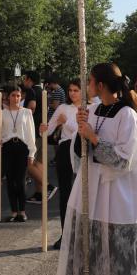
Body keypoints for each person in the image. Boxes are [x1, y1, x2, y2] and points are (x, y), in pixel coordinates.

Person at [59, 63, 137, 275]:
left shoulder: (127, 116)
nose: (86, 86)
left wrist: (93, 138)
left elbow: (125, 159)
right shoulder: (95, 109)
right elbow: (78, 150)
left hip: (118, 197)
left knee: (117, 258)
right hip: (92, 192)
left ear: (99, 85)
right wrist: (81, 130)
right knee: (94, 255)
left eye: (89, 81)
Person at [40, 78, 83, 250]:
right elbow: (48, 129)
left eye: (76, 90)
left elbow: (82, 130)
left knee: (82, 193)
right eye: (70, 90)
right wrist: (45, 127)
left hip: (82, 150)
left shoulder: (91, 107)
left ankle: (81, 235)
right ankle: (65, 235)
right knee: (65, 192)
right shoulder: (63, 108)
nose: (72, 93)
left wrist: (68, 122)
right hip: (65, 150)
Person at [0, 85, 36, 222]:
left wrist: (32, 152)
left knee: (20, 180)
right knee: (10, 181)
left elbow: (31, 133)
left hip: (22, 147)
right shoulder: (3, 113)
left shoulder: (26, 112)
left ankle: (22, 211)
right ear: (8, 97)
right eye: (13, 95)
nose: (16, 98)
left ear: (21, 96)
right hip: (7, 147)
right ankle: (13, 211)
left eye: (18, 95)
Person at [23, 71, 57, 204]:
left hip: (33, 130)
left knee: (29, 162)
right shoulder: (43, 91)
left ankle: (47, 185)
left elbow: (31, 108)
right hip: (42, 129)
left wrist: (22, 116)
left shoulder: (32, 91)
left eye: (24, 79)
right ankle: (39, 193)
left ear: (28, 79)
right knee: (39, 163)